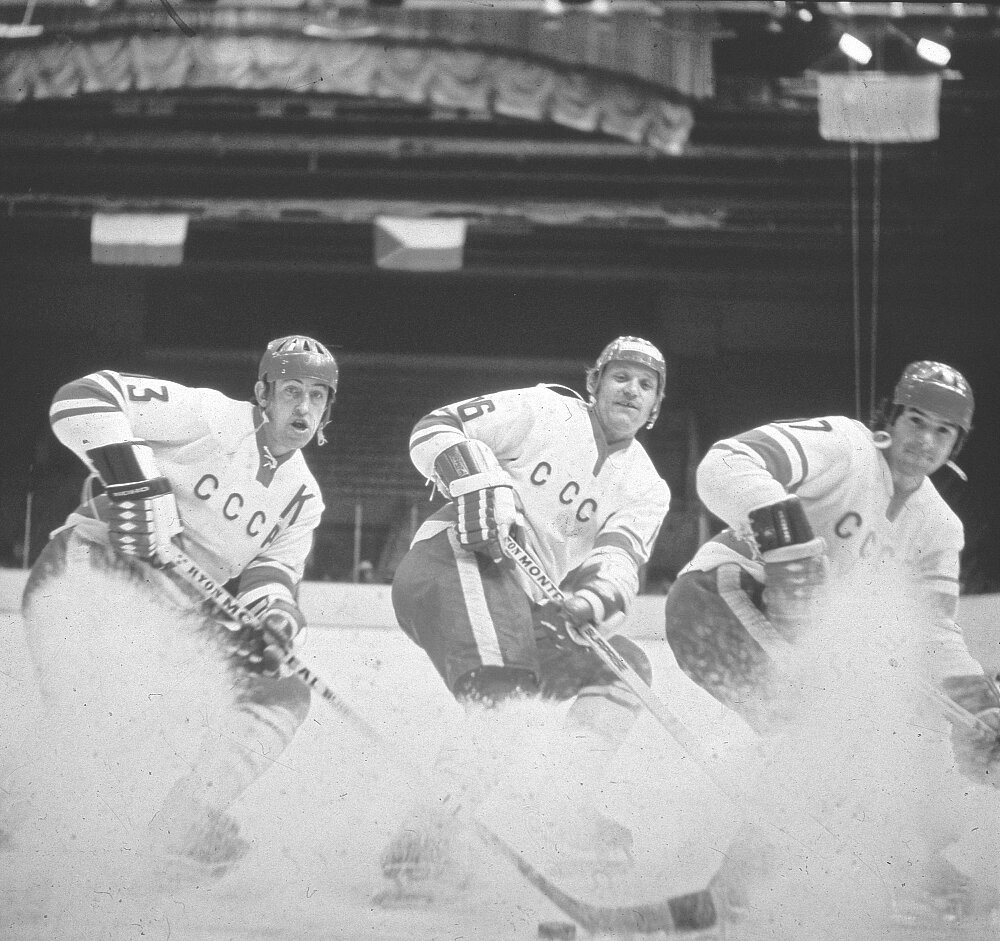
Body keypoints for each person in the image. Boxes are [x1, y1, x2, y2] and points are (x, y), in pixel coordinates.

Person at [664, 360, 1000, 927]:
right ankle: (736, 893)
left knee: (864, 744)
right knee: (834, 728)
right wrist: (785, 536)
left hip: (785, 636)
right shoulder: (845, 447)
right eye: (916, 421)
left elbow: (934, 634)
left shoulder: (939, 527)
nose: (925, 440)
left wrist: (978, 707)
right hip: (717, 597)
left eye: (943, 431)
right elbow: (726, 460)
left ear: (957, 443)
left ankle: (897, 874)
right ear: (890, 418)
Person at [18, 335, 337, 877]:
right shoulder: (208, 416)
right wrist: (135, 483)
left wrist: (276, 620)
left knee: (284, 692)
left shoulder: (304, 497)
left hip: (170, 614)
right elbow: (84, 397)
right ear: (263, 393)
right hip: (90, 571)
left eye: (317, 395)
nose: (303, 407)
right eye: (291, 391)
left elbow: (272, 573)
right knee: (93, 733)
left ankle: (184, 820)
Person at [381, 336, 672, 899]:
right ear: (595, 383)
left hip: (527, 603)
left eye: (646, 384)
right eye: (620, 376)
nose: (631, 389)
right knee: (503, 684)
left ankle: (565, 806)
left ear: (656, 406)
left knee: (626, 667)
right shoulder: (545, 410)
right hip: (454, 560)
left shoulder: (647, 487)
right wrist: (479, 483)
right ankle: (424, 840)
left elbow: (619, 559)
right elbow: (436, 426)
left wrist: (588, 602)